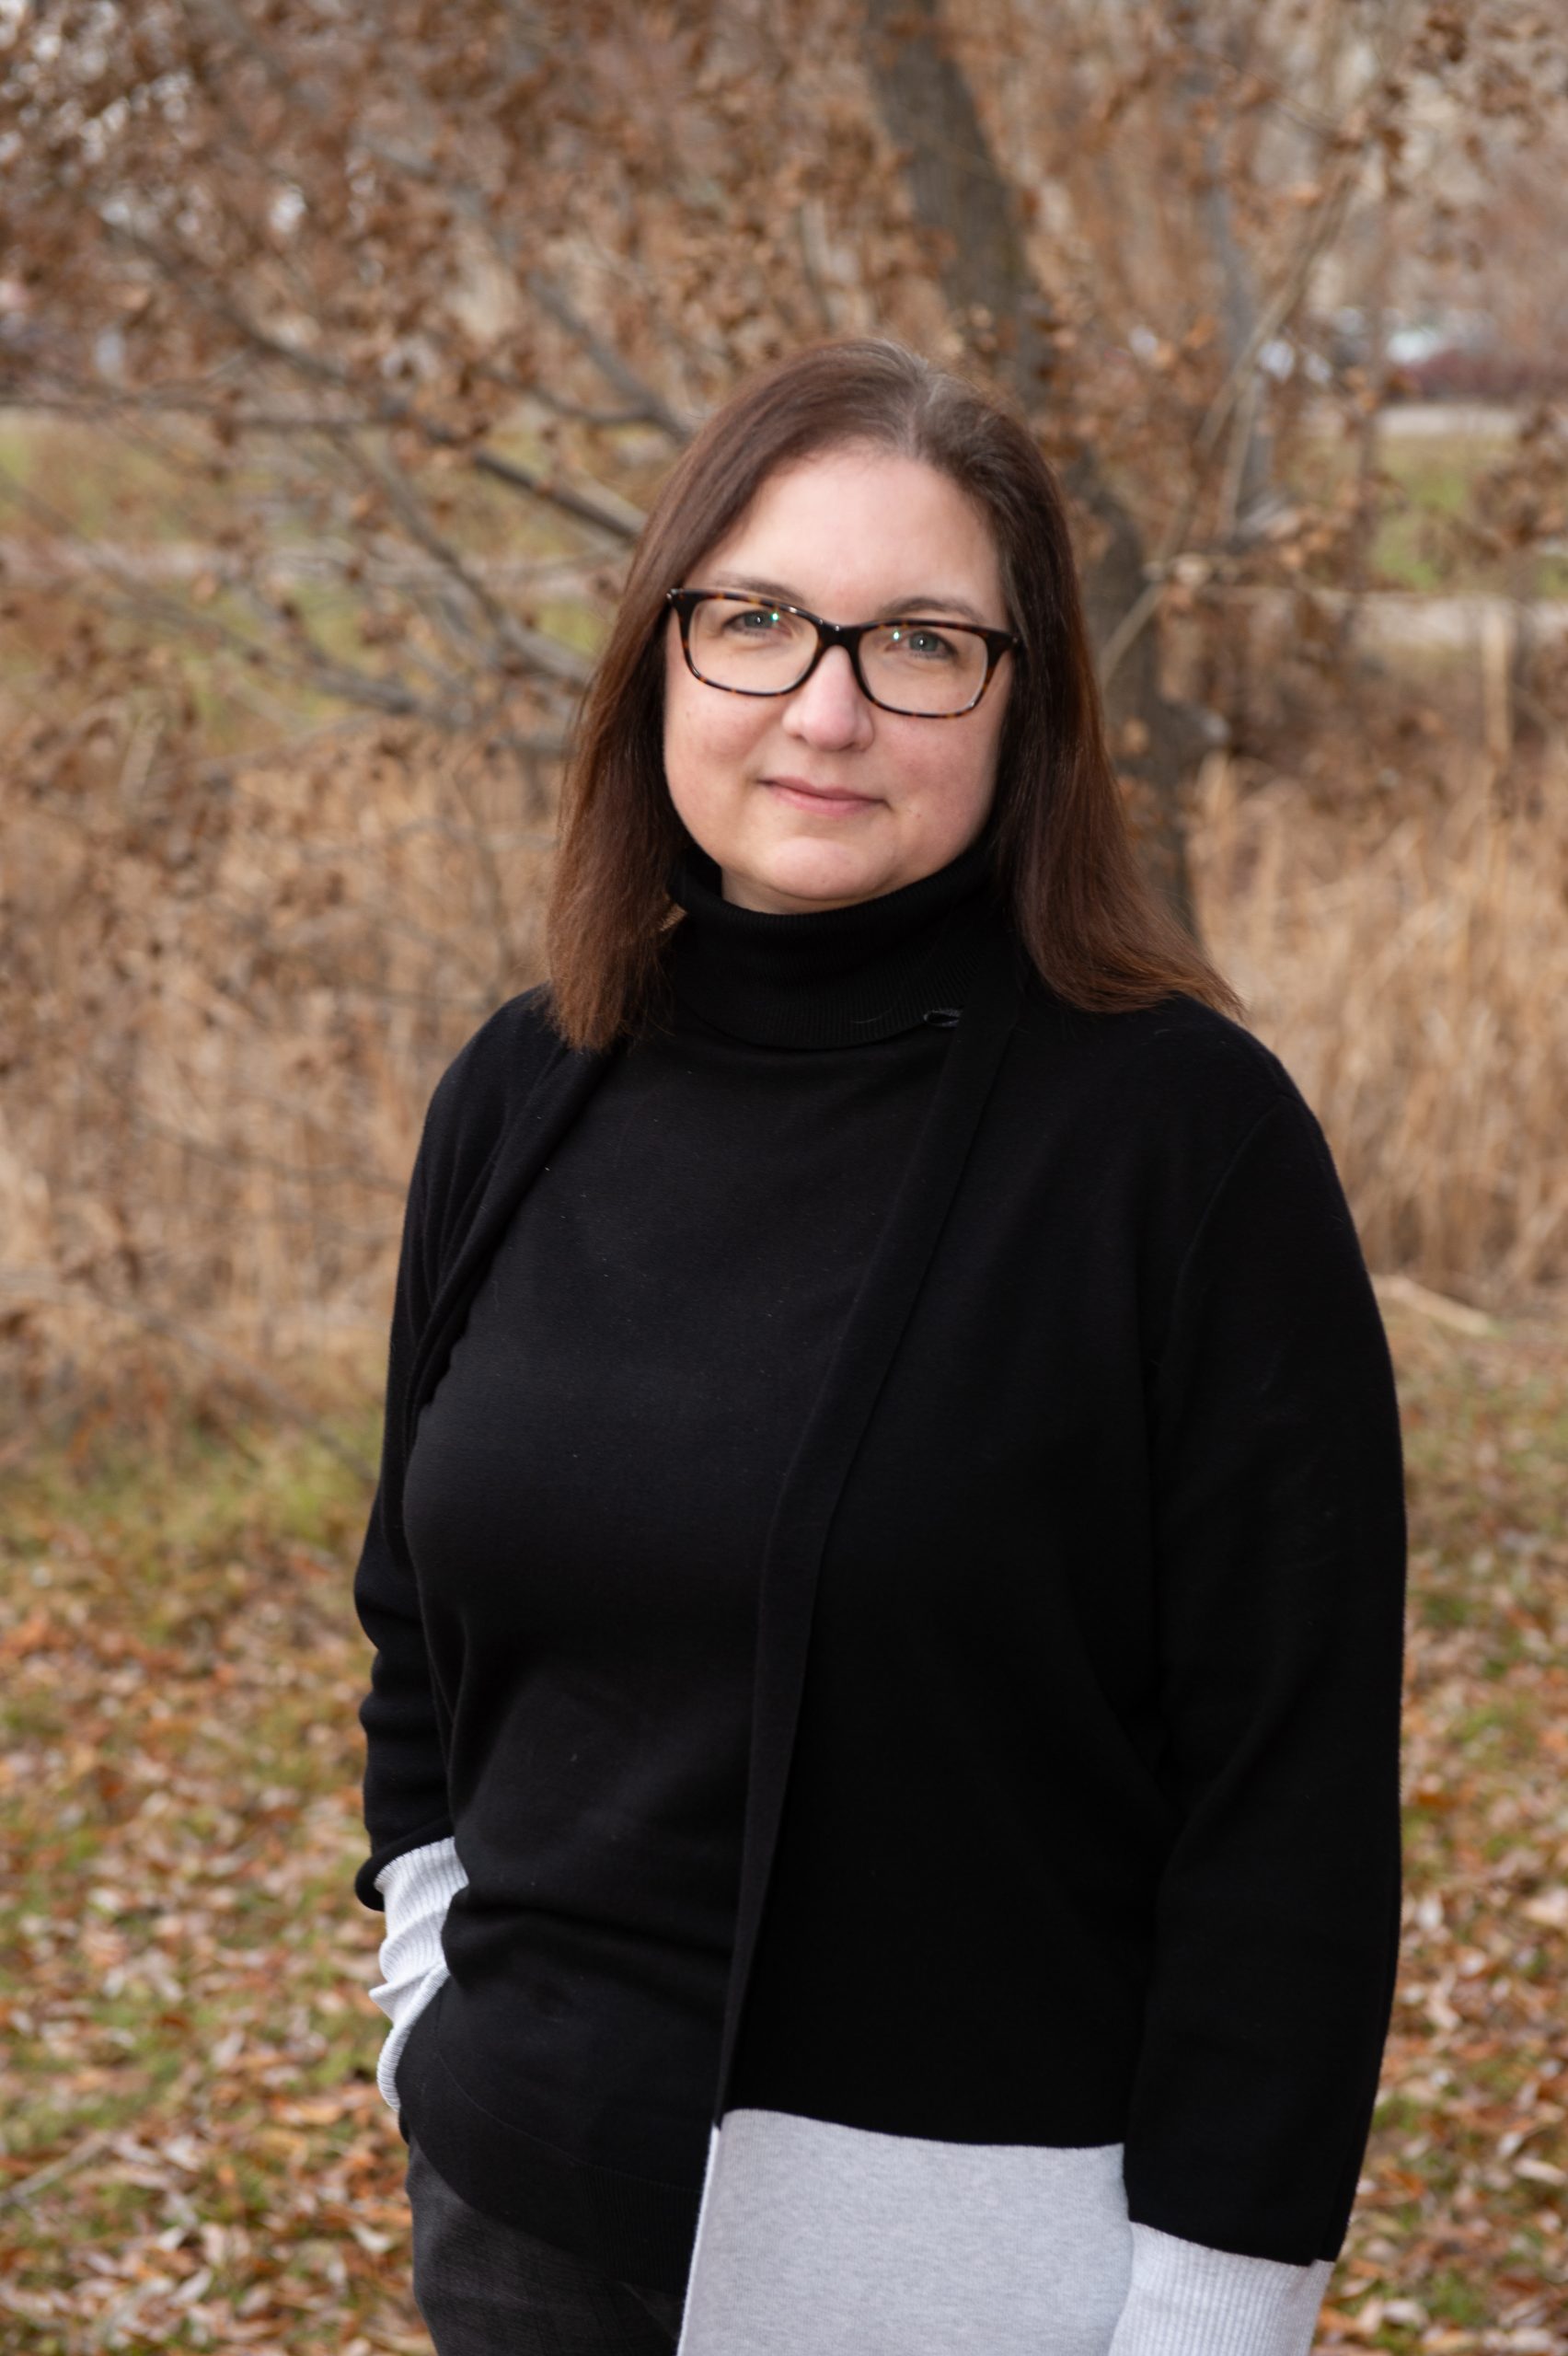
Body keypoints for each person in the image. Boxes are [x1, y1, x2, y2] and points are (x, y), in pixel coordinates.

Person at [352, 338, 1406, 2356]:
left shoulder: (1181, 1147)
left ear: (1024, 707)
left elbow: (1286, 1807)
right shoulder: (527, 1083)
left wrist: (1213, 2310)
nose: (825, 706)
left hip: (967, 2273)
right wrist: (431, 1988)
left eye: (920, 641)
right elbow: (418, 1598)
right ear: (663, 652)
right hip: (519, 2207)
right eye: (758, 620)